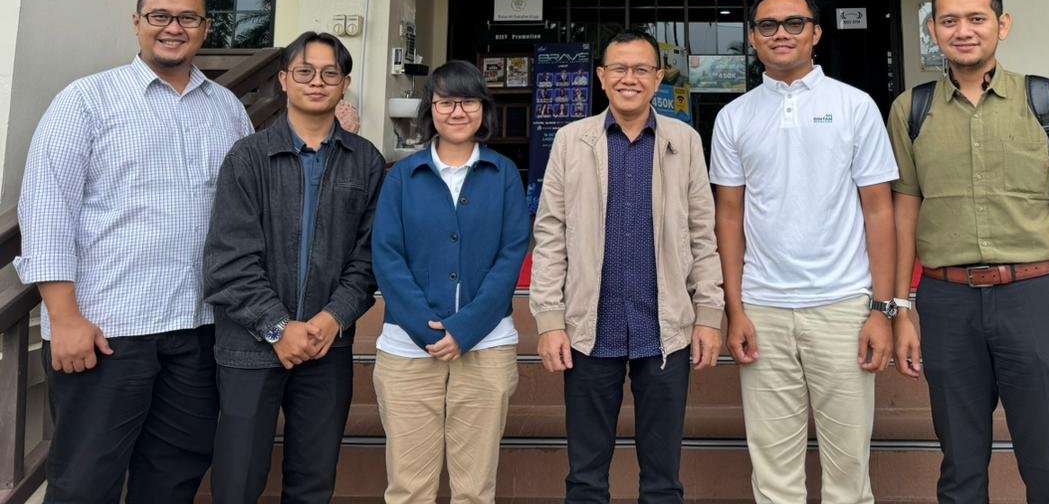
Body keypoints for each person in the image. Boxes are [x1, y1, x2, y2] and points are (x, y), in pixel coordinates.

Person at [15, 0, 253, 503]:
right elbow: (47, 210)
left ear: (206, 28)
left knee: (173, 479)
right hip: (106, 331)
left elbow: (245, 209)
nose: (173, 28)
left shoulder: (228, 110)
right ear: (137, 23)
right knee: (84, 482)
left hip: (197, 327)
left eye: (187, 18)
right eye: (160, 16)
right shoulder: (86, 100)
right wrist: (64, 317)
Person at [888, 0, 1049, 504]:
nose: (963, 31)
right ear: (933, 30)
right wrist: (900, 310)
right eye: (949, 20)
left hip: (1034, 297)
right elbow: (903, 215)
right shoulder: (911, 110)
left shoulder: (1048, 102)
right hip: (947, 301)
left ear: (1002, 24)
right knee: (960, 466)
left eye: (976, 18)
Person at [710, 0, 899, 504]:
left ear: (816, 33)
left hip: (843, 305)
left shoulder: (854, 105)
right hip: (763, 309)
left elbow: (880, 211)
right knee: (773, 474)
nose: (781, 34)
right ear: (753, 38)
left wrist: (882, 309)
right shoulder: (734, 117)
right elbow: (729, 217)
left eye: (794, 23)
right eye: (767, 25)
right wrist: (735, 310)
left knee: (849, 471)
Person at [531, 29, 724, 504]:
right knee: (585, 478)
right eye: (619, 68)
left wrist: (708, 314)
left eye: (641, 69)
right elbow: (550, 235)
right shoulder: (571, 140)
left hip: (665, 330)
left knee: (662, 479)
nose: (629, 78)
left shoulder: (684, 141)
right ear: (601, 76)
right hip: (590, 331)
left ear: (658, 78)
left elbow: (703, 234)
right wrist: (549, 321)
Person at [202, 31, 384, 503]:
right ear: (283, 80)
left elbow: (369, 257)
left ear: (344, 84)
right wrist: (279, 328)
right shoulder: (248, 157)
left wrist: (332, 318)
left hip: (327, 343)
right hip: (250, 344)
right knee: (238, 481)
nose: (316, 82)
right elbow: (228, 259)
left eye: (329, 73)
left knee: (314, 480)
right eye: (304, 72)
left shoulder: (365, 161)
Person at [371, 60, 529, 504]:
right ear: (430, 109)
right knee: (409, 487)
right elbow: (387, 256)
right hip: (408, 349)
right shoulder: (403, 176)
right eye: (446, 102)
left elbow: (511, 255)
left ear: (483, 109)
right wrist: (427, 329)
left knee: (474, 489)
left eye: (468, 101)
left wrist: (465, 329)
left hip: (486, 347)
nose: (457, 112)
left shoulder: (503, 175)